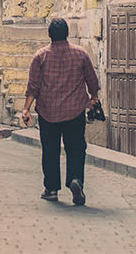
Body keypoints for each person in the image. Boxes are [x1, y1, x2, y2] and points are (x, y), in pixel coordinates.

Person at [21, 17, 100, 205]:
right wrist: (94, 98)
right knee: (75, 148)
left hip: (48, 113)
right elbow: (92, 81)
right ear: (67, 34)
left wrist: (26, 109)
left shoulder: (40, 56)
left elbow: (33, 86)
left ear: (49, 35)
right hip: (75, 112)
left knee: (50, 150)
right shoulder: (80, 54)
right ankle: (75, 179)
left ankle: (51, 188)